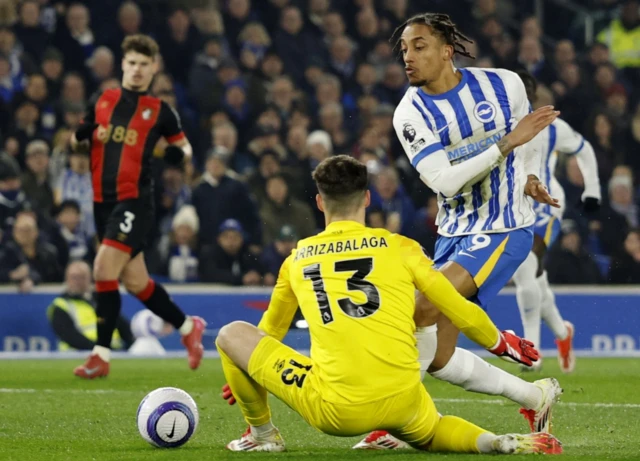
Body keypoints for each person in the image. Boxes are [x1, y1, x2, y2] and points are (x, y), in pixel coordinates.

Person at [216, 155, 562, 455]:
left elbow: (271, 331)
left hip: (337, 410)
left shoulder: (297, 258)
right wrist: (498, 342)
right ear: (367, 199)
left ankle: (262, 435)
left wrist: (248, 370)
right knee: (431, 430)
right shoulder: (400, 247)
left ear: (320, 203)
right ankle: (493, 442)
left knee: (232, 334)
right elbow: (454, 305)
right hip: (403, 399)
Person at [357, 13, 562, 448]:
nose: (408, 57)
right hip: (454, 231)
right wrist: (506, 144)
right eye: (404, 50)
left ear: (447, 51)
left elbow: (524, 141)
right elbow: (445, 181)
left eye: (419, 46)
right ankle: (535, 394)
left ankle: (393, 418)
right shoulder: (410, 113)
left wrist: (525, 178)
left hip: (505, 227)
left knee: (420, 309)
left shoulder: (504, 84)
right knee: (440, 356)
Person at [69, 34, 205, 379]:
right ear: (123, 64)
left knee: (102, 270)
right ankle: (189, 327)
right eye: (132, 63)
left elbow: (185, 150)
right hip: (101, 202)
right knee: (135, 281)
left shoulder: (160, 111)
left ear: (154, 68)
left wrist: (177, 154)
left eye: (145, 64)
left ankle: (100, 355)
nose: (138, 70)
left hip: (134, 200)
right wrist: (81, 137)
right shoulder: (104, 100)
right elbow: (75, 140)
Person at [511, 71, 602, 374]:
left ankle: (532, 353)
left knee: (527, 264)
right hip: (510, 208)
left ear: (531, 95)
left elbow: (584, 148)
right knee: (535, 280)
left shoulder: (550, 126)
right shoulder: (492, 126)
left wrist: (592, 190)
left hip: (545, 207)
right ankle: (563, 334)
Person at [47, 261, 134, 351]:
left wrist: (133, 345)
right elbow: (70, 336)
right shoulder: (60, 305)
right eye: (74, 277)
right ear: (66, 279)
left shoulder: (100, 300)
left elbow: (121, 324)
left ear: (90, 279)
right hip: (77, 355)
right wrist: (100, 349)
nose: (77, 281)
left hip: (113, 352)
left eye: (82, 277)